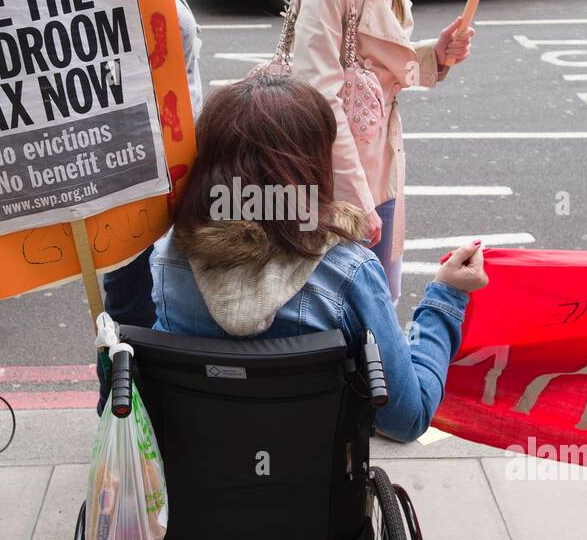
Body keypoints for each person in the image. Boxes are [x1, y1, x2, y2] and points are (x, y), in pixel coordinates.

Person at [150, 75, 487, 443]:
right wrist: (446, 296)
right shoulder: (349, 272)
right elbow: (406, 417)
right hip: (315, 486)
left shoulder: (169, 258)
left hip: (199, 475)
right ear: (310, 167)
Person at [290, 0, 473, 304]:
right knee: (350, 311)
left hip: (382, 173)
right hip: (340, 188)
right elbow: (320, 103)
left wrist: (436, 55)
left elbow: (378, 74)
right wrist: (356, 201)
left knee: (382, 300)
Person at [84, 0, 203, 406]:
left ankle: (145, 433)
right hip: (139, 170)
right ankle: (124, 436)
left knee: (147, 309)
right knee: (133, 315)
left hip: (171, 164)